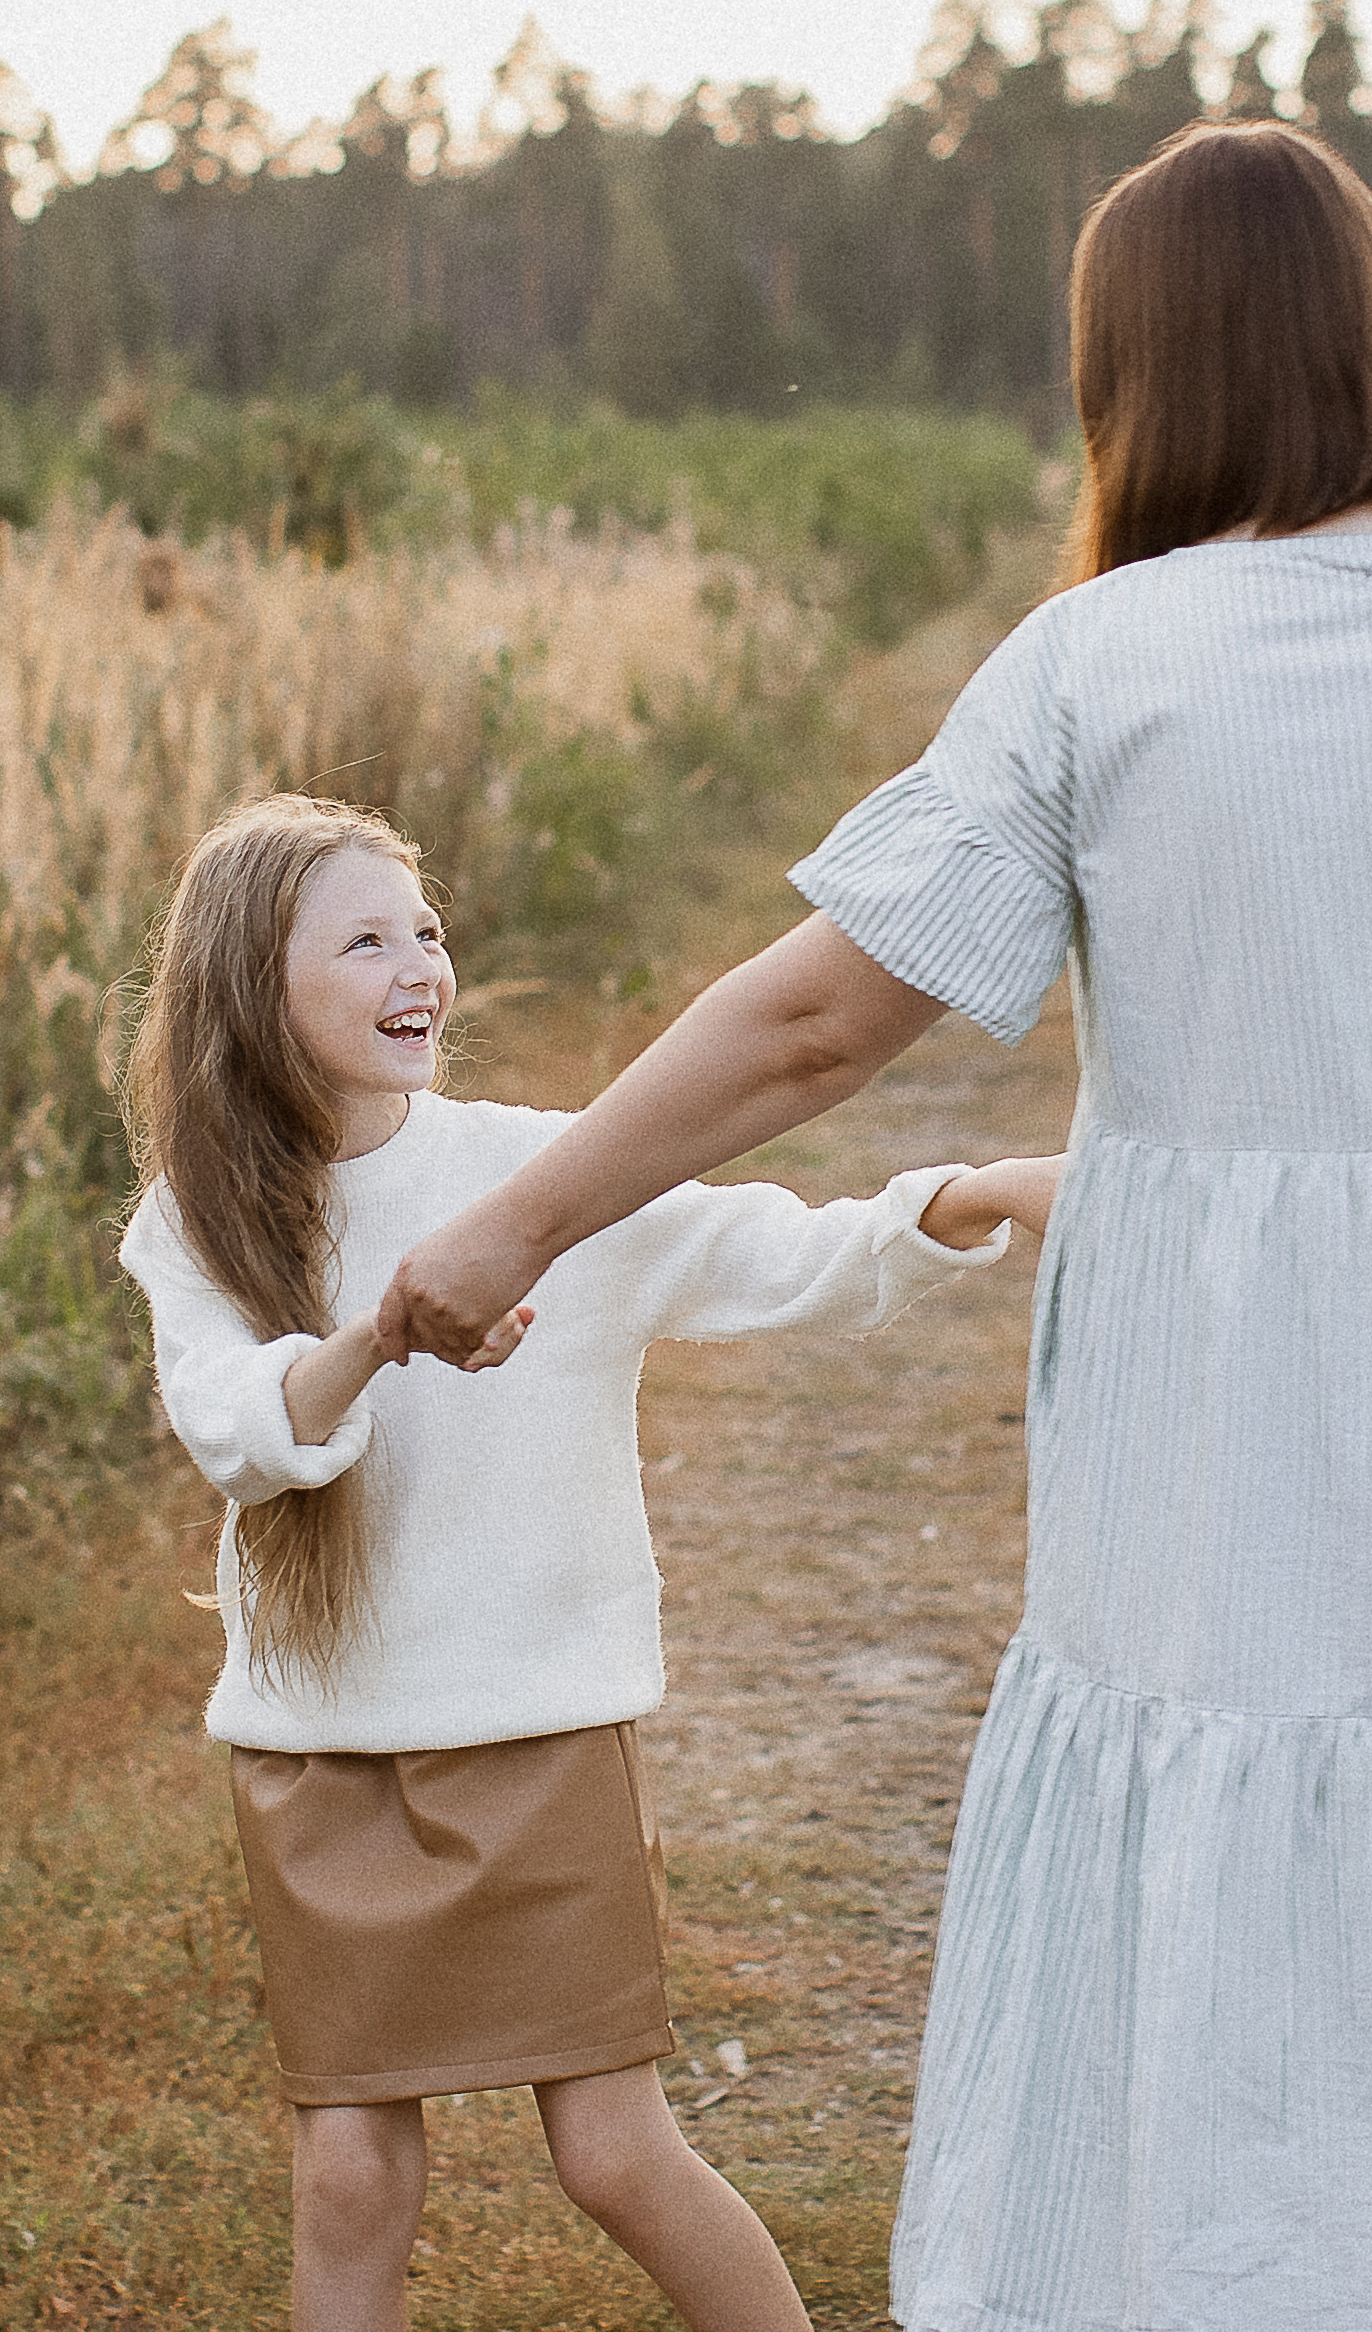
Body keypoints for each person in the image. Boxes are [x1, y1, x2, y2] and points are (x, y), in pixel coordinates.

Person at [380, 119, 1372, 2330]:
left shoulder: (1107, 654)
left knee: (1257, 1845)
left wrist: (518, 1222)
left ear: (1127, 373)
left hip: (1253, 1417)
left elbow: (808, 1027)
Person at [116, 790, 1060, 2332]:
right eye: (365, 939)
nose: (420, 962)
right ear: (247, 985)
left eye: (425, 929)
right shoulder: (197, 1220)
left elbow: (783, 1250)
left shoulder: (545, 1178)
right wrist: (381, 1332)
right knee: (347, 2171)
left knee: (614, 2153)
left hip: (534, 1732)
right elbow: (234, 1429)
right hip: (321, 1756)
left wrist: (968, 1195)